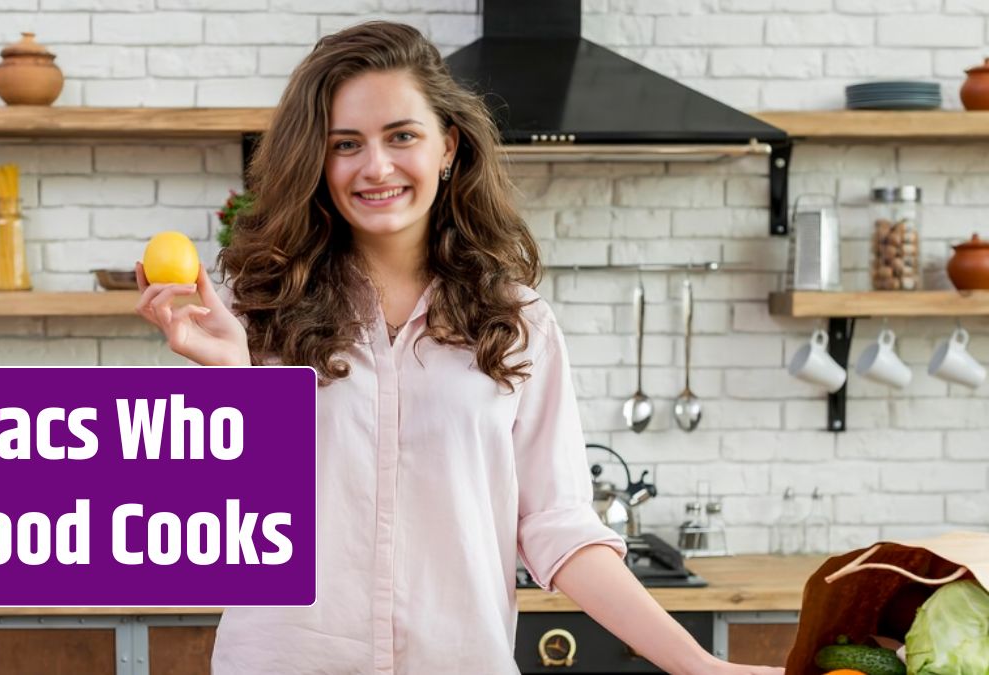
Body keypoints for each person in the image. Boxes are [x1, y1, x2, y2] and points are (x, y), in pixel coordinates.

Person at [136, 20, 785, 675]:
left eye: (402, 136)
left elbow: (559, 523)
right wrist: (231, 379)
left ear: (448, 146)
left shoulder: (516, 321)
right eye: (346, 144)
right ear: (318, 159)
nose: (376, 166)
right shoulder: (256, 311)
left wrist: (697, 664)